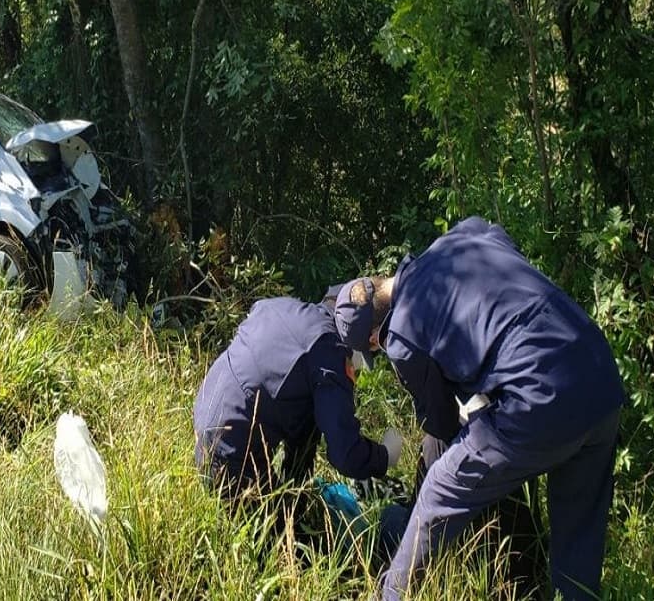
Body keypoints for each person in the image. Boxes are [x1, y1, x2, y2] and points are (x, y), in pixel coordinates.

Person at [333, 216, 625, 601]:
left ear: (374, 338)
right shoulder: (459, 239)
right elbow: (495, 234)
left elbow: (440, 425)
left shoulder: (401, 336)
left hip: (537, 396)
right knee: (578, 534)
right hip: (598, 372)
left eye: (375, 350)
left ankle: (388, 597)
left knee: (438, 490)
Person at [192, 295, 402, 509]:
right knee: (287, 536)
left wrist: (297, 493)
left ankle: (293, 506)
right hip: (229, 456)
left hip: (204, 420)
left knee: (296, 508)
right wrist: (384, 457)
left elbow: (303, 431)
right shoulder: (330, 355)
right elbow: (345, 454)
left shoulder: (280, 306)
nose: (357, 370)